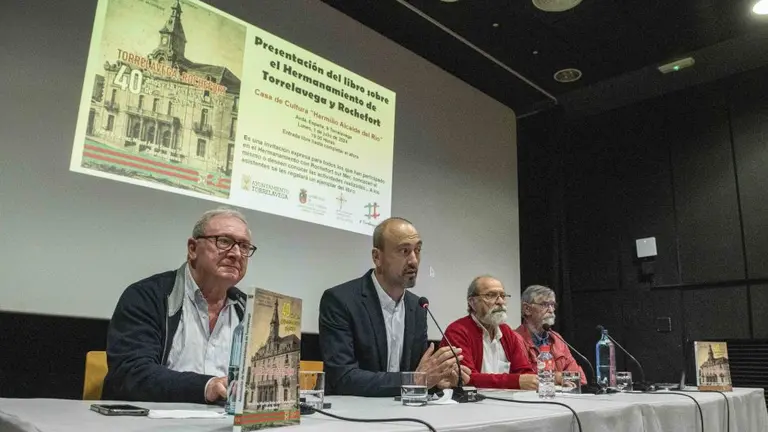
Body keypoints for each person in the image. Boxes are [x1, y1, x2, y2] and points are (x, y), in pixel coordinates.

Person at [102, 208, 256, 403]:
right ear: (192, 249)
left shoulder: (250, 309)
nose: (236, 254)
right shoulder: (147, 296)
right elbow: (131, 373)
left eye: (244, 246)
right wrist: (207, 387)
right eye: (224, 241)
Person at [319, 217, 470, 397]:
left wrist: (438, 381)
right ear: (377, 257)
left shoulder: (418, 307)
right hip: (348, 414)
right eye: (404, 251)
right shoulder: (340, 300)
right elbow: (342, 378)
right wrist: (414, 380)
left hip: (401, 413)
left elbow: (418, 373)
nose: (414, 260)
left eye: (418, 250)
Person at [441, 276, 537, 389]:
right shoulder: (457, 331)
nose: (500, 302)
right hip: (470, 404)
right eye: (490, 295)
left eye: (502, 296)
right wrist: (515, 381)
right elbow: (466, 378)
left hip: (507, 402)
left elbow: (525, 372)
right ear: (472, 302)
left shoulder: (506, 332)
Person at [515, 285, 587, 385]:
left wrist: (558, 378)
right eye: (545, 304)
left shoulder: (557, 339)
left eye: (553, 305)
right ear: (527, 309)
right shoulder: (515, 338)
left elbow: (580, 378)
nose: (551, 310)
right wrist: (556, 378)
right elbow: (525, 379)